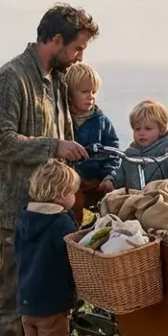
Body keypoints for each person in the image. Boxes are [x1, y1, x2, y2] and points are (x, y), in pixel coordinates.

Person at [0, 3, 98, 336]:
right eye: (78, 48)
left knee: (47, 301)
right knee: (14, 299)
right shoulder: (10, 79)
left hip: (52, 211)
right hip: (17, 211)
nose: (81, 56)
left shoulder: (56, 79)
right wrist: (53, 147)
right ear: (54, 40)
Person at [15, 159, 83, 336]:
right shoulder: (61, 224)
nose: (74, 198)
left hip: (27, 298)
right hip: (52, 301)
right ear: (60, 193)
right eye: (72, 192)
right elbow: (71, 259)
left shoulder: (24, 217)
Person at [65, 62, 119, 224]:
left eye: (94, 92)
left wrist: (110, 176)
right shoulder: (64, 120)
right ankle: (72, 236)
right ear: (69, 93)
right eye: (84, 92)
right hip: (72, 180)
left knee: (114, 202)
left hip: (97, 178)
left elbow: (113, 152)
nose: (91, 97)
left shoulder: (102, 122)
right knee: (74, 203)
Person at [104, 99, 168, 191]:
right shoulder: (131, 153)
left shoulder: (166, 149)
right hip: (135, 198)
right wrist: (112, 180)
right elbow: (121, 172)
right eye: (137, 129)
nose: (141, 133)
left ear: (161, 130)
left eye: (148, 129)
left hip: (161, 196)